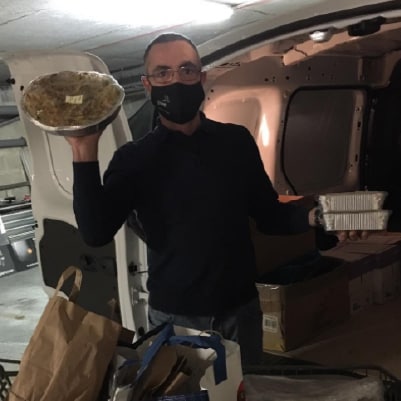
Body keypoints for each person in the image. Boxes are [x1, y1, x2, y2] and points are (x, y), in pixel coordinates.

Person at [66, 32, 364, 366]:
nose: (176, 80)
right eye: (163, 73)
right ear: (147, 85)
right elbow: (96, 231)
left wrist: (316, 218)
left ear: (202, 78)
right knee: (188, 391)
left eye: (187, 70)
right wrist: (83, 147)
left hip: (240, 309)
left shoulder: (235, 142)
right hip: (176, 318)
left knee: (245, 387)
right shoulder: (134, 159)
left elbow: (269, 214)